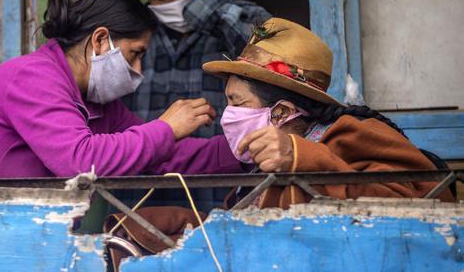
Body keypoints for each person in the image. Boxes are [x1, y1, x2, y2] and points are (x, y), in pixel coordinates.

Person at [104, 18, 453, 267]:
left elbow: (413, 209)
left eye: (238, 103)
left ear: (281, 112)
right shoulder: (260, 169)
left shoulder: (349, 133)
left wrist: (303, 158)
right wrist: (186, 224)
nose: (228, 115)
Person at [0, 0, 242, 179]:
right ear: (100, 40)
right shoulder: (31, 77)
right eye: (136, 53)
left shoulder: (98, 102)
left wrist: (243, 150)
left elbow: (162, 155)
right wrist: (165, 127)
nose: (139, 71)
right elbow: (80, 161)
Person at [79, 0, 271, 137]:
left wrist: (207, 2)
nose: (174, 2)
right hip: (143, 163)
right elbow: (74, 8)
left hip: (220, 163)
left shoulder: (245, 17)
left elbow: (275, 60)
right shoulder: (128, 29)